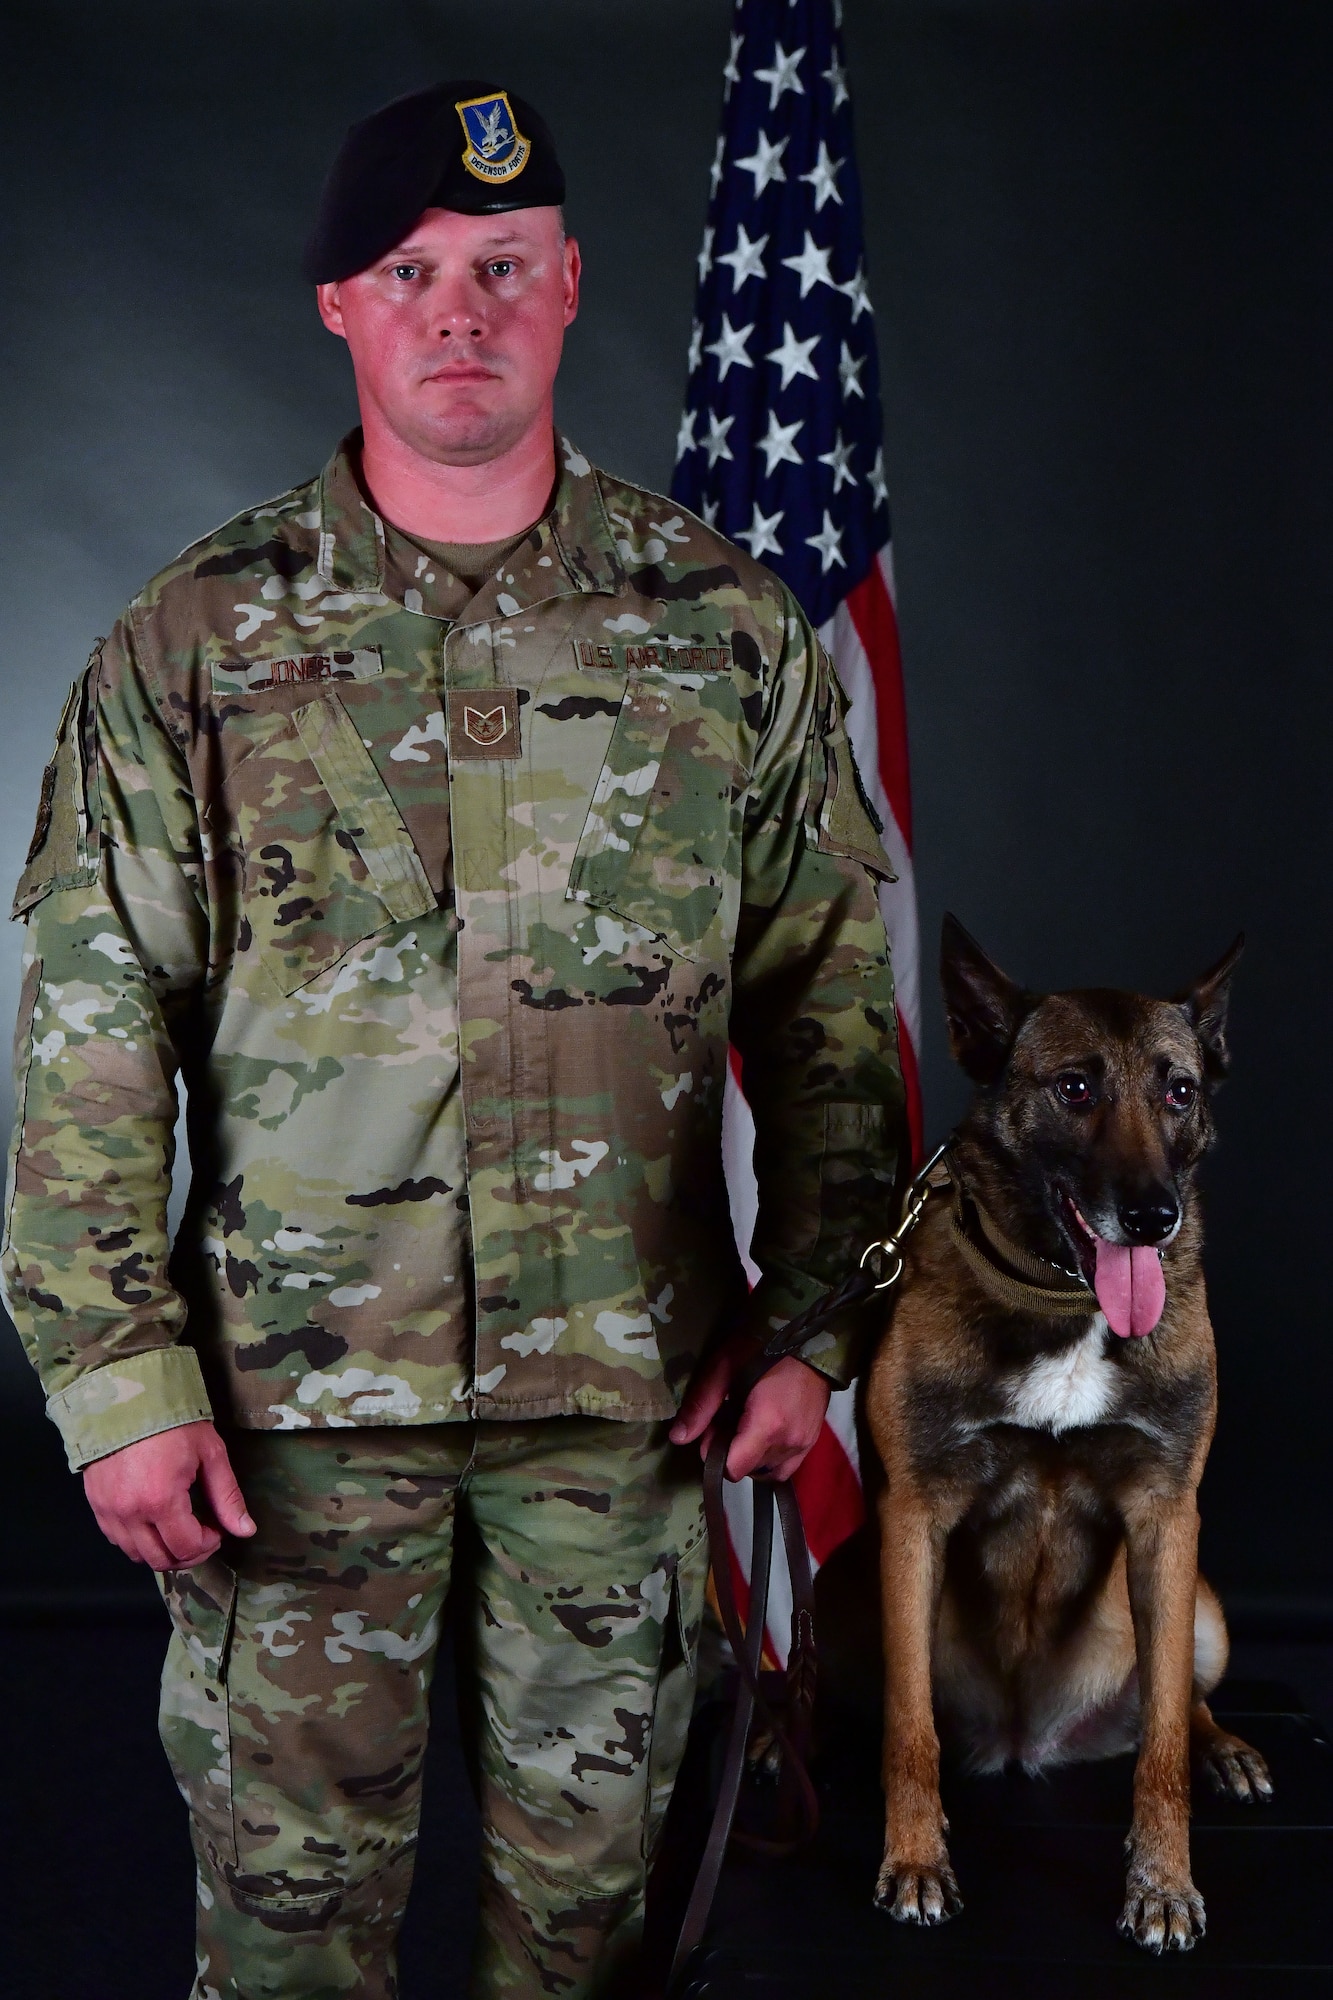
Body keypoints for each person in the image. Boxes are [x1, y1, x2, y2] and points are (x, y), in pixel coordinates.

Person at [3, 78, 905, 2000]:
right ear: (340, 304)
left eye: (502, 266)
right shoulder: (198, 640)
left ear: (572, 284)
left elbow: (827, 994)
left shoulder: (723, 631)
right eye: (411, 272)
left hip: (629, 1408)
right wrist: (116, 1374)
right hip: (289, 1421)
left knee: (583, 1937)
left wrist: (817, 1322)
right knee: (289, 1931)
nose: (460, 310)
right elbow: (91, 1018)